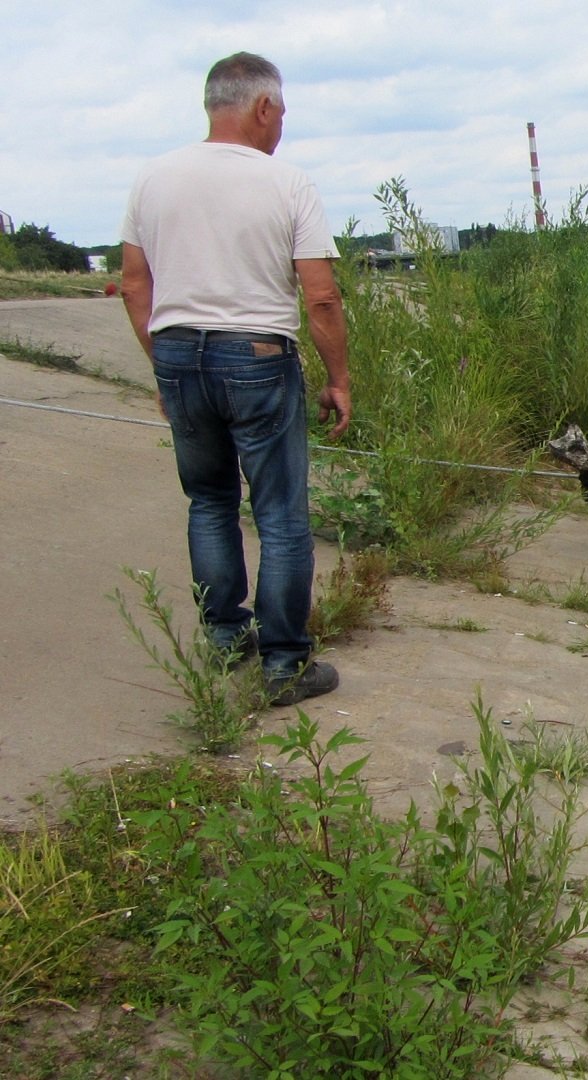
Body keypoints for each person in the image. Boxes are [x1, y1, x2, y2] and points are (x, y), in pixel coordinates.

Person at [119, 52, 350, 707]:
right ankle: (284, 663)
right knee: (279, 515)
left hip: (178, 354)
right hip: (256, 356)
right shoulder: (287, 183)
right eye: (281, 113)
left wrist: (164, 369)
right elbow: (322, 297)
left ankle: (224, 642)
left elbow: (136, 284)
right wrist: (339, 378)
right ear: (263, 107)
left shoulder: (152, 180)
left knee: (210, 503)